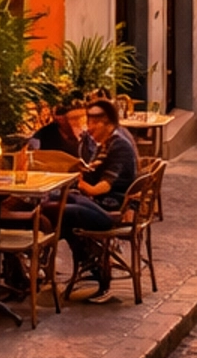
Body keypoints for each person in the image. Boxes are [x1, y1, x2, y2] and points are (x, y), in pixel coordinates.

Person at [60, 98, 140, 299]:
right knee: (62, 203)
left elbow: (101, 187)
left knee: (63, 209)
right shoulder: (106, 144)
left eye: (96, 122)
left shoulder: (119, 145)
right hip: (103, 204)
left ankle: (94, 267)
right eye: (90, 121)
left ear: (109, 123)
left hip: (112, 210)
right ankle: (90, 262)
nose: (90, 126)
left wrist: (79, 183)